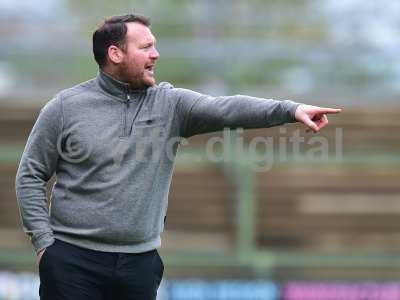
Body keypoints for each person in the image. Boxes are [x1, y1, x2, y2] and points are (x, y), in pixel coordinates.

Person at [15, 14, 341, 300]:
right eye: (145, 47)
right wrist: (45, 244)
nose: (155, 54)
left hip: (139, 265)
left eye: (154, 46)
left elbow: (227, 108)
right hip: (72, 262)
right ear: (115, 53)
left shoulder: (171, 105)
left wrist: (290, 109)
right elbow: (30, 174)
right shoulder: (64, 107)